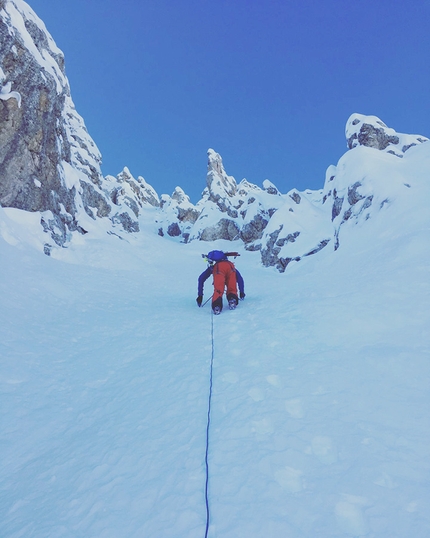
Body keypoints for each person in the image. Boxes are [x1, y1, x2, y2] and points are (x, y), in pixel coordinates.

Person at [196, 250, 245, 315]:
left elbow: (201, 279)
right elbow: (240, 279)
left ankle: (217, 306)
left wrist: (200, 295)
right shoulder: (229, 264)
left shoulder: (213, 267)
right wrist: (242, 292)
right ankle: (232, 299)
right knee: (232, 287)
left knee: (218, 290)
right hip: (230, 268)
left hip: (218, 270)